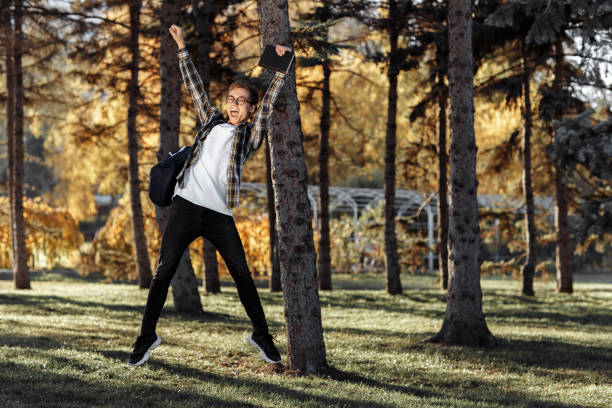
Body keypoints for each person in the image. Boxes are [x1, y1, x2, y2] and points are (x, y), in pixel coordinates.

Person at [128, 24, 289, 367]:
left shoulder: (248, 136)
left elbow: (270, 103)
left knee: (242, 275)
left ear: (249, 109)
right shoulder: (211, 122)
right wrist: (182, 46)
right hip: (186, 206)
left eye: (242, 102)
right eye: (232, 99)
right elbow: (194, 86)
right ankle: (145, 338)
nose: (234, 105)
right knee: (163, 273)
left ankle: (261, 333)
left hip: (219, 215)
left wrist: (280, 66)